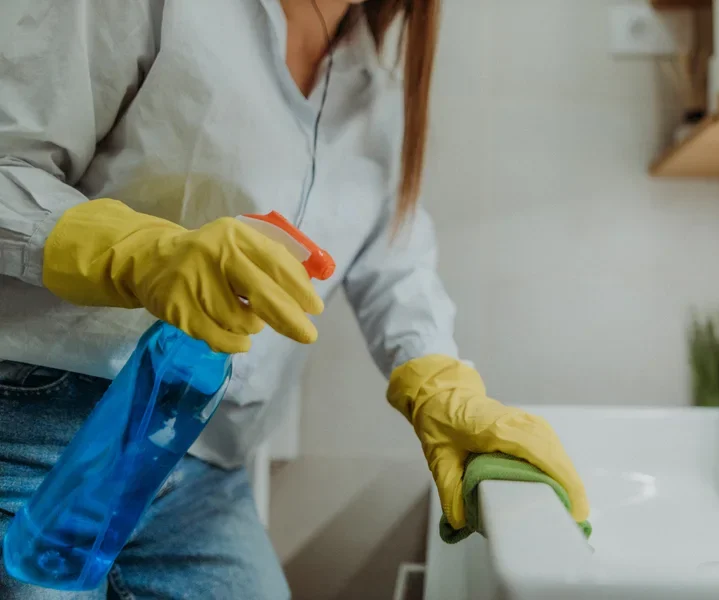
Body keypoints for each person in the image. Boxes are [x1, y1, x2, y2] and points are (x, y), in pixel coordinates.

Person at [0, 0, 588, 598]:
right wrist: (138, 253)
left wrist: (439, 386)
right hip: (46, 415)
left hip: (204, 461)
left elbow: (396, 266)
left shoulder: (374, 92)